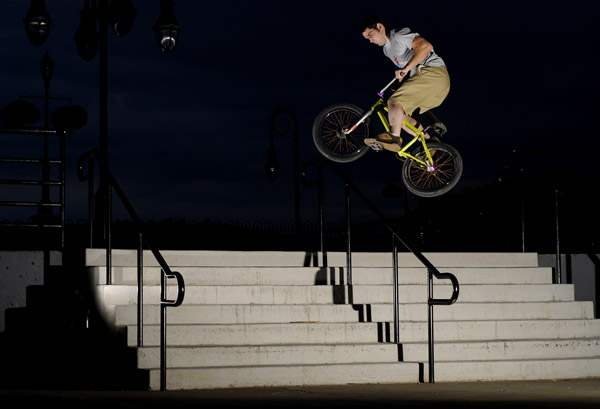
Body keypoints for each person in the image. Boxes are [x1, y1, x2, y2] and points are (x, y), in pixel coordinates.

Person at [360, 15, 450, 152]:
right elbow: (409, 65)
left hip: (433, 73)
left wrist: (405, 69)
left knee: (394, 102)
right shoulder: (386, 50)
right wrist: (401, 80)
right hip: (432, 83)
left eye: (370, 35)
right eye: (367, 39)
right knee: (398, 116)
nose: (370, 41)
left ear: (379, 26)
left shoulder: (397, 35)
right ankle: (429, 143)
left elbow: (426, 46)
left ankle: (394, 138)